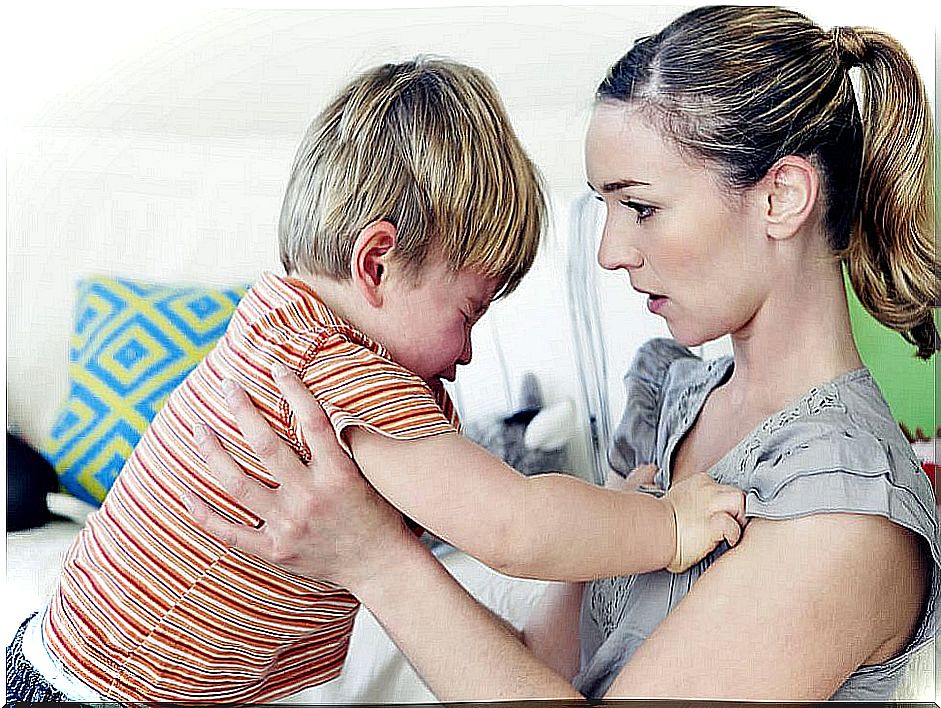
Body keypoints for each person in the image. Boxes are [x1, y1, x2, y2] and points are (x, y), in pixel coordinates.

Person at [188, 5, 940, 701]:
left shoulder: (845, 519)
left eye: (639, 206)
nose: (611, 251)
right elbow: (545, 672)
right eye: (605, 208)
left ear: (781, 198)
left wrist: (372, 557)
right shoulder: (673, 403)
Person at [5, 57, 746, 704]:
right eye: (468, 311)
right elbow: (511, 527)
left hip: (67, 669)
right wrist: (667, 526)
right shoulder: (336, 369)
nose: (464, 355)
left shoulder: (274, 333)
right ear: (375, 263)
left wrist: (595, 534)